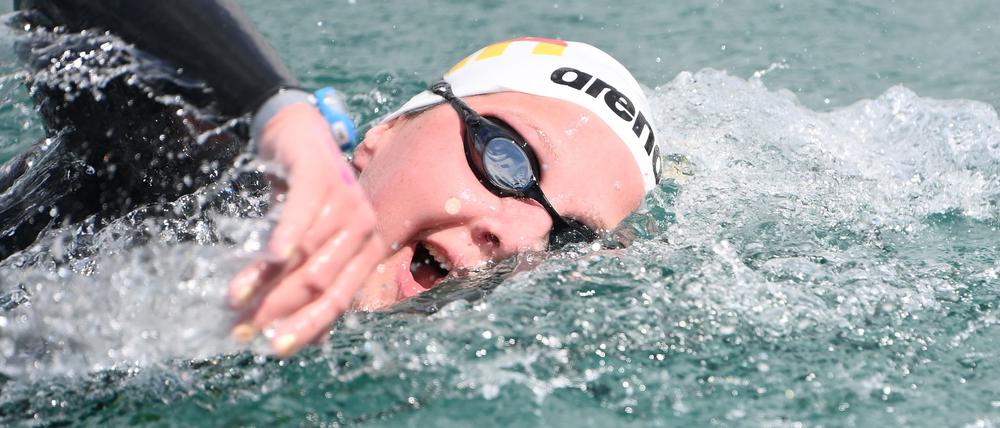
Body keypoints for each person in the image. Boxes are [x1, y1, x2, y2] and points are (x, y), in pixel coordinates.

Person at [2, 1, 663, 357]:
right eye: (509, 159)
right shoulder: (203, 184)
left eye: (568, 236)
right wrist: (275, 111)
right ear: (384, 134)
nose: (520, 238)